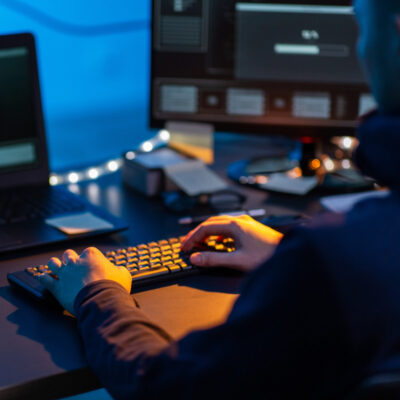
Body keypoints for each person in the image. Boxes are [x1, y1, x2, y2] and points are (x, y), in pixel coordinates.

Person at [39, 0, 400, 398]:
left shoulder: (336, 257)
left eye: (362, 29)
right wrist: (286, 255)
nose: (361, 50)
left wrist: (98, 295)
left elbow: (168, 390)